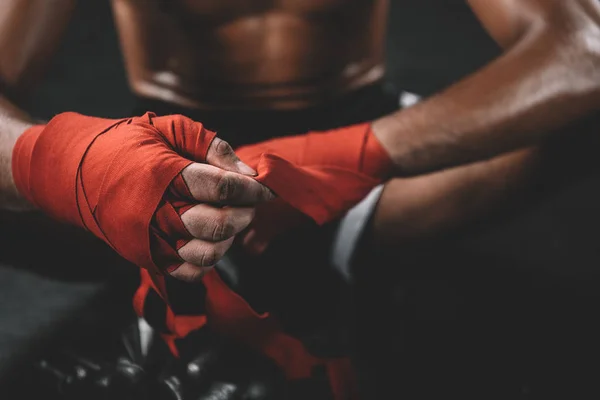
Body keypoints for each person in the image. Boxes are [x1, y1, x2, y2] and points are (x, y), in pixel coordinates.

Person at [1, 0, 600, 398]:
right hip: (170, 162)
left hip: (383, 177)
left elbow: (587, 45)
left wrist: (342, 157)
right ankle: (190, 230)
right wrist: (83, 160)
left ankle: (243, 246)